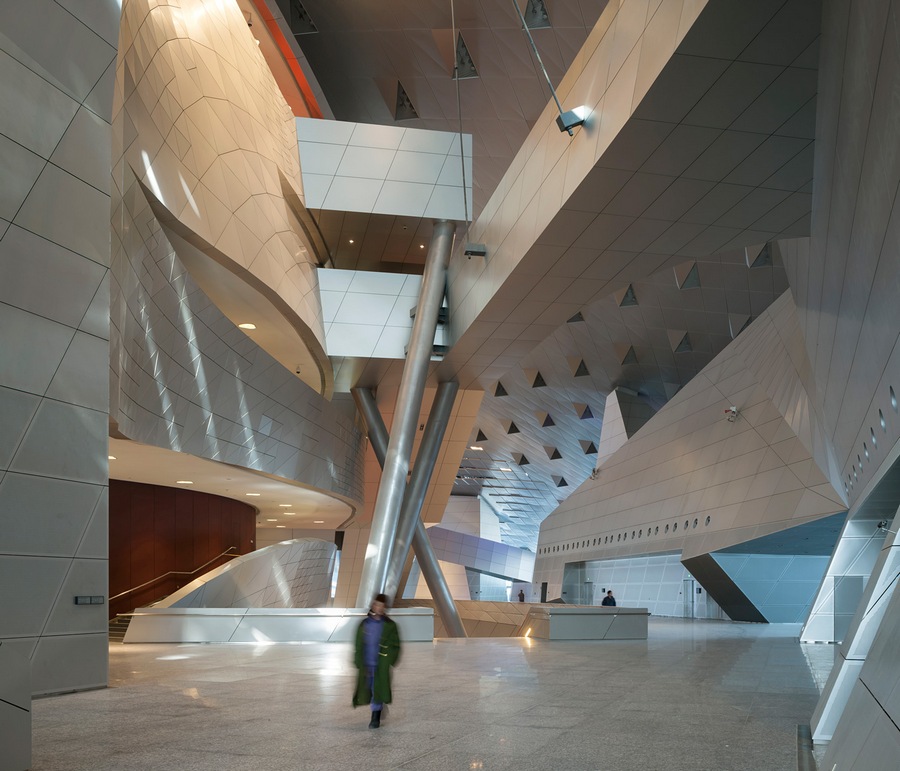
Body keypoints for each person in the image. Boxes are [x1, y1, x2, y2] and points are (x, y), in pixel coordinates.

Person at [353, 593, 401, 729]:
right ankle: (378, 707)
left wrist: (390, 660)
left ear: (385, 607)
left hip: (381, 665)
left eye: (381, 605)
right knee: (367, 688)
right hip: (366, 663)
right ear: (373, 605)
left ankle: (375, 717)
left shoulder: (390, 625)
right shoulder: (364, 624)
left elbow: (395, 645)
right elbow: (358, 643)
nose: (378, 607)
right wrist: (357, 660)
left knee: (377, 688)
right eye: (376, 604)